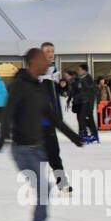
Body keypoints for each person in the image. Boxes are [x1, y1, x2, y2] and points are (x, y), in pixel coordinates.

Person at [0, 48, 84, 221]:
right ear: (33, 62)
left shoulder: (38, 88)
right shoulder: (19, 85)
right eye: (44, 59)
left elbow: (53, 118)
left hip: (38, 147)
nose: (47, 63)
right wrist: (2, 139)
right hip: (22, 149)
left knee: (45, 190)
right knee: (45, 189)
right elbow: (8, 113)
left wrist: (73, 136)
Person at [37, 42, 72, 192]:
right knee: (38, 154)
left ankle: (61, 183)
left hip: (51, 121)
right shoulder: (37, 72)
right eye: (47, 51)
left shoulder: (54, 72)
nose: (50, 53)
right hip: (38, 120)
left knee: (53, 153)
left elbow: (54, 97)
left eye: (52, 51)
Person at [68, 64, 100, 145]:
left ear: (83, 70)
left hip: (87, 101)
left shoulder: (87, 78)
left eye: (80, 69)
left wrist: (88, 101)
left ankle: (86, 134)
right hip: (85, 100)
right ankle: (94, 135)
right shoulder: (83, 78)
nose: (79, 71)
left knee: (82, 117)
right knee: (89, 118)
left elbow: (90, 90)